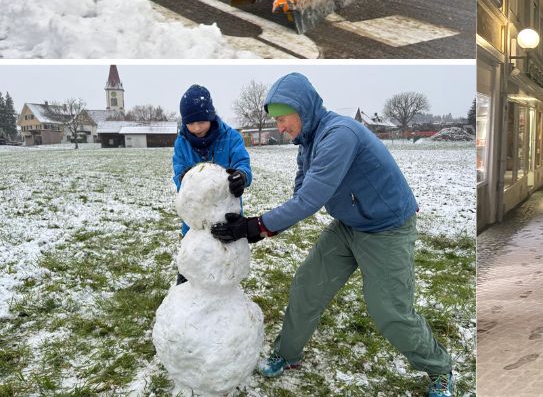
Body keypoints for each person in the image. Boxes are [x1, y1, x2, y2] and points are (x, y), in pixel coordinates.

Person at [211, 73, 454, 397]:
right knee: (307, 285)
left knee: (389, 311)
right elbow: (301, 193)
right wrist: (261, 226)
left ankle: (440, 370)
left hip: (386, 228)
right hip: (349, 225)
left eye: (283, 118)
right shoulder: (307, 144)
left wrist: (255, 227)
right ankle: (288, 353)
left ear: (303, 109)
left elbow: (311, 199)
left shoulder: (340, 135)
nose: (280, 127)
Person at [173, 84, 252, 284]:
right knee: (193, 262)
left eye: (201, 121)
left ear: (211, 116)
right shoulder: (181, 143)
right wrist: (185, 179)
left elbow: (242, 163)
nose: (197, 128)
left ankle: (225, 301)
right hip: (196, 222)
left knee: (225, 265)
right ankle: (184, 291)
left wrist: (241, 177)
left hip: (225, 218)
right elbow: (178, 172)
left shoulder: (231, 137)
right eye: (191, 123)